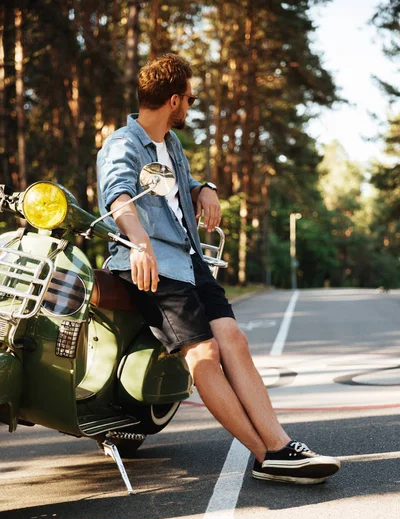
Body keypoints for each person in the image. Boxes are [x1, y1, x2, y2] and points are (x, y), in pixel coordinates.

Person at [97, 53, 340, 485]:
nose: (191, 106)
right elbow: (119, 197)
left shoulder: (170, 144)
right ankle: (267, 455)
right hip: (155, 265)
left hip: (190, 260)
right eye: (190, 98)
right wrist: (139, 244)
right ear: (174, 100)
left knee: (234, 339)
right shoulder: (122, 143)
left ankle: (281, 444)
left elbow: (174, 186)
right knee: (204, 356)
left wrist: (204, 187)